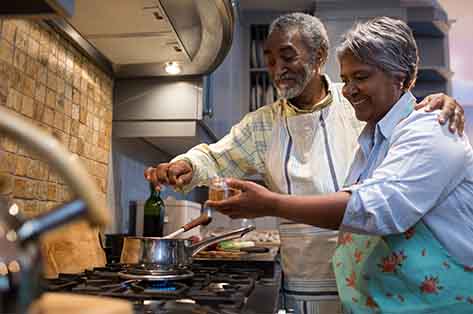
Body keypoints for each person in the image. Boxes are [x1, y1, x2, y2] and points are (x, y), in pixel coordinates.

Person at [145, 13, 465, 313]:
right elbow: (216, 156)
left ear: (320, 55)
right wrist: (187, 164)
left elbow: (385, 195)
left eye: (287, 57)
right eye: (269, 61)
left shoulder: (359, 108)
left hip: (388, 286)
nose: (276, 69)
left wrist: (434, 102)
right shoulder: (265, 124)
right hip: (310, 279)